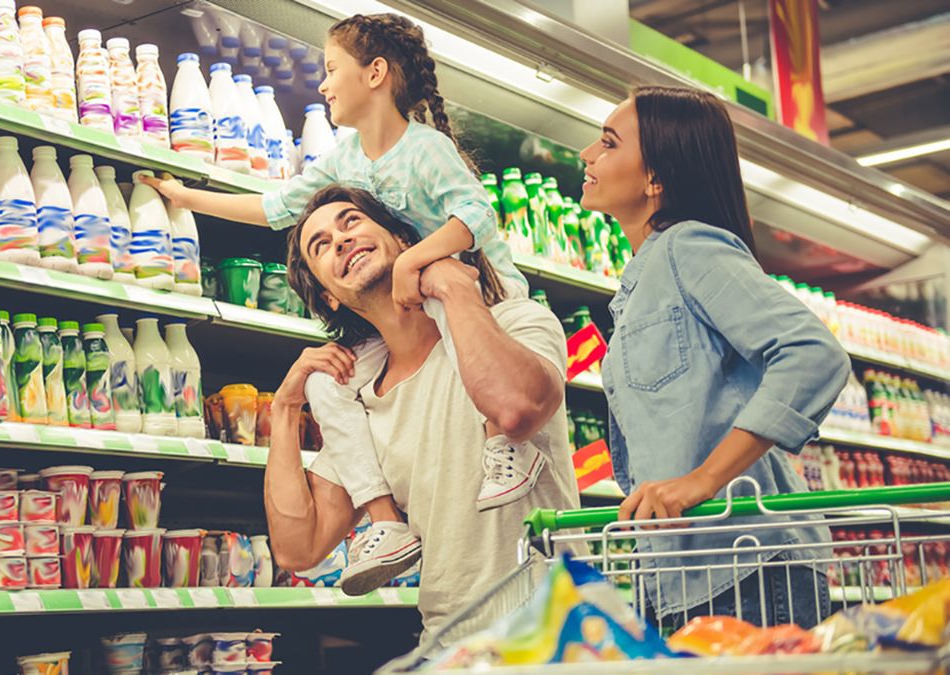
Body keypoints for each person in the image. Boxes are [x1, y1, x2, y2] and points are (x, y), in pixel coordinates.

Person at [150, 13, 541, 593]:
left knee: (459, 335)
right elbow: (277, 207)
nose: (324, 85)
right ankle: (385, 521)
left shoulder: (426, 149)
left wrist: (413, 262)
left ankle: (504, 446)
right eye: (322, 244)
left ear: (376, 73)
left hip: (474, 288)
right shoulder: (345, 158)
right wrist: (186, 196)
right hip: (411, 304)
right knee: (326, 384)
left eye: (332, 70)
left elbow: (478, 217)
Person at [578, 85, 851, 630]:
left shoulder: (689, 247)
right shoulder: (640, 279)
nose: (587, 153)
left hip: (747, 565)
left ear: (656, 178)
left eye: (608, 143)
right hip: (687, 570)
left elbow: (812, 352)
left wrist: (702, 480)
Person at [264, 184, 582, 639]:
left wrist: (451, 285)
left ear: (404, 239)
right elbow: (298, 548)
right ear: (329, 296)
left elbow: (515, 410)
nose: (339, 239)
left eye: (350, 221)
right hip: (448, 646)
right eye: (321, 246)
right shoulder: (358, 403)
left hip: (557, 639)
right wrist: (284, 407)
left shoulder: (515, 322)